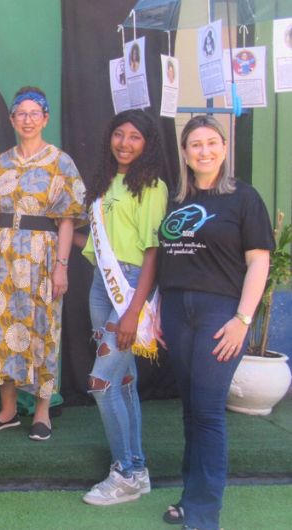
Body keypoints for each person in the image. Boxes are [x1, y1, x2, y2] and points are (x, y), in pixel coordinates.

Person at [156, 115, 273, 530]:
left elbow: (259, 262)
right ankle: (191, 499)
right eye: (195, 145)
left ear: (224, 148)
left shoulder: (244, 197)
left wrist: (243, 319)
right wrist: (158, 309)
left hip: (220, 314)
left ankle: (205, 514)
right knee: (191, 410)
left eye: (211, 143)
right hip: (176, 310)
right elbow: (166, 258)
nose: (203, 151)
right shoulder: (176, 199)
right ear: (185, 153)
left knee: (207, 411)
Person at [0, 86, 86, 441]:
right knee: (1, 328)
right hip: (2, 256)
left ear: (45, 118)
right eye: (21, 113)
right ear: (12, 119)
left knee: (43, 328)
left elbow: (67, 220)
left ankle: (41, 412)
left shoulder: (61, 162)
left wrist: (62, 265)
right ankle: (7, 411)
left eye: (35, 113)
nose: (28, 120)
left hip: (43, 257)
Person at [79, 109, 168, 506]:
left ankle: (124, 474)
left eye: (135, 136)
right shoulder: (103, 181)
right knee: (124, 380)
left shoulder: (152, 186)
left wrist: (134, 310)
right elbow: (100, 240)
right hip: (101, 283)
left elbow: (152, 252)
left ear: (147, 143)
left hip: (130, 286)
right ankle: (137, 469)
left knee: (101, 382)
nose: (125, 143)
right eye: (119, 134)